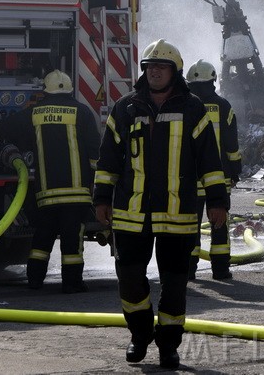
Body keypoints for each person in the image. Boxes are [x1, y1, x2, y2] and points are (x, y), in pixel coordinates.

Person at [94, 40, 230, 369]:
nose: (154, 71)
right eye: (149, 66)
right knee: (128, 277)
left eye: (161, 66)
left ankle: (169, 344)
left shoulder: (193, 108)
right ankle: (139, 335)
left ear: (174, 72)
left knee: (173, 284)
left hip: (177, 212)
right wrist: (101, 197)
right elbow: (109, 157)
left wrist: (217, 201)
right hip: (131, 211)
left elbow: (209, 160)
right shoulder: (125, 108)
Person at [0, 69, 101, 294]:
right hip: (76, 193)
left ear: (45, 92)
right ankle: (72, 283)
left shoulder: (34, 113)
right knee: (72, 240)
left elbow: (5, 129)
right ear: (70, 90)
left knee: (42, 237)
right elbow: (94, 152)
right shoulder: (83, 112)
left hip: (46, 193)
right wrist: (96, 184)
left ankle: (35, 280)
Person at [185, 59, 242, 281]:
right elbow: (231, 144)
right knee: (219, 224)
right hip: (219, 179)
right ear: (214, 80)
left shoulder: (184, 106)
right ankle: (220, 270)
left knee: (190, 225)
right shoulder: (224, 106)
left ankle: (189, 270)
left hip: (190, 178)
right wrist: (235, 169)